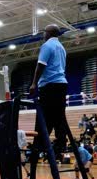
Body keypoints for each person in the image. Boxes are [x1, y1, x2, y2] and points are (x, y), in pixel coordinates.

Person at [29, 24, 68, 163]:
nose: (43, 34)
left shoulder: (47, 46)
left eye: (44, 32)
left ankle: (39, 145)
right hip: (62, 84)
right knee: (58, 115)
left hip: (49, 85)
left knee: (44, 117)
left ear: (49, 33)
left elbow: (41, 65)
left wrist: (34, 83)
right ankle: (60, 143)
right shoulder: (62, 48)